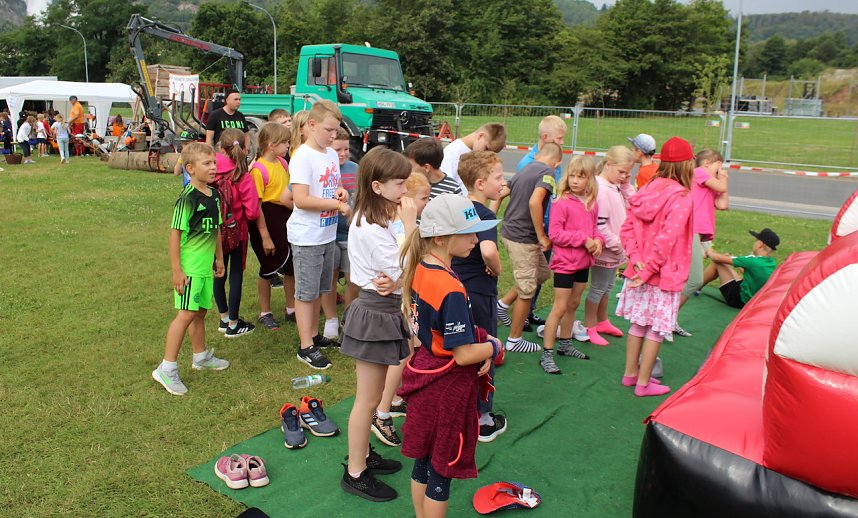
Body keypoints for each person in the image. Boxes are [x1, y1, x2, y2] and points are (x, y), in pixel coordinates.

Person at [398, 194, 502, 516]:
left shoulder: (419, 266)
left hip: (425, 375)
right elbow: (463, 355)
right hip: (446, 388)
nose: (476, 238)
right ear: (441, 237)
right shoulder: (451, 287)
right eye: (469, 232)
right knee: (441, 471)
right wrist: (494, 346)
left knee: (423, 462)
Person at [340, 147, 413, 501]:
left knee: (374, 397)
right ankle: (355, 472)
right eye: (399, 183)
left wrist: (399, 281)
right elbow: (409, 265)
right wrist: (412, 227)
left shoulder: (380, 217)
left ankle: (364, 455)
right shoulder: (369, 226)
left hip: (384, 309)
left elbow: (401, 272)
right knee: (367, 402)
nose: (405, 190)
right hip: (374, 313)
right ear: (377, 186)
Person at [616, 137, 695, 397]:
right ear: (686, 164)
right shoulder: (682, 196)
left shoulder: (646, 188)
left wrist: (637, 260)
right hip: (663, 273)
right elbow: (667, 240)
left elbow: (626, 228)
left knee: (638, 324)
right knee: (656, 329)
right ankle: (643, 382)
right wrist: (649, 269)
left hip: (640, 270)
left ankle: (630, 374)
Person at [151, 142, 229, 396]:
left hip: (206, 267)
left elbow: (216, 228)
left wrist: (219, 258)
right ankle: (167, 368)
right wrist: (177, 270)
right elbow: (175, 234)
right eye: (207, 164)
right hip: (190, 268)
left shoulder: (214, 194)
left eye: (214, 163)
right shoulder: (186, 198)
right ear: (190, 168)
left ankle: (200, 357)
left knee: (200, 312)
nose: (213, 167)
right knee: (185, 314)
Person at [288, 100, 351, 369]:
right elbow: (301, 199)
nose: (333, 136)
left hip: (326, 234)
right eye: (329, 130)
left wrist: (341, 192)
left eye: (336, 131)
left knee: (321, 289)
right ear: (311, 125)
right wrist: (337, 205)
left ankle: (314, 335)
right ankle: (305, 347)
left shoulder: (329, 154)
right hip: (307, 236)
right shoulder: (302, 156)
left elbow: (333, 184)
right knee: (306, 293)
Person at [451, 151, 509, 441]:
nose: (504, 181)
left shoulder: (458, 208)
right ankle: (483, 418)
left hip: (455, 289)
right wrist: (495, 268)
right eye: (498, 177)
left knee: (461, 351)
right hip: (480, 292)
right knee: (485, 347)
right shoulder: (483, 215)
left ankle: (459, 411)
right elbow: (488, 250)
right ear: (480, 182)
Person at [497, 142, 563, 353]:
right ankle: (514, 340)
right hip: (523, 238)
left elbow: (500, 193)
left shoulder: (525, 168)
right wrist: (542, 236)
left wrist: (491, 218)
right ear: (557, 162)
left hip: (510, 233)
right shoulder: (549, 173)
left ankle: (502, 305)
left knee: (541, 274)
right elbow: (535, 203)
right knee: (527, 289)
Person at [540, 155, 603, 374]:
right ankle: (546, 353)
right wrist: (582, 239)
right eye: (573, 176)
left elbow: (594, 228)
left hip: (583, 263)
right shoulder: (561, 202)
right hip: (565, 263)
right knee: (559, 307)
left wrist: (597, 241)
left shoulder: (592, 203)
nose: (575, 180)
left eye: (581, 177)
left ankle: (565, 344)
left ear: (590, 180)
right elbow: (555, 234)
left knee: (574, 303)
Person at [514, 116, 569, 330]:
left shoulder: (555, 161)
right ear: (545, 137)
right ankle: (520, 312)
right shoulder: (527, 164)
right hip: (531, 228)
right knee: (529, 272)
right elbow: (527, 200)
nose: (562, 142)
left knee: (541, 271)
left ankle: (531, 309)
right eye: (560, 138)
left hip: (549, 225)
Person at [583, 146, 636, 346]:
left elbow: (635, 202)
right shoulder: (602, 189)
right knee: (598, 288)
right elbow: (600, 226)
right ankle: (590, 326)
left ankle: (602, 320)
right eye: (621, 172)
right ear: (608, 164)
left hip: (614, 249)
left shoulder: (614, 185)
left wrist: (626, 184)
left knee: (607, 287)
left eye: (627, 173)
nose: (623, 176)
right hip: (606, 250)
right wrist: (619, 246)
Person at [675, 149, 729, 337]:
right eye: (718, 166)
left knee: (686, 278)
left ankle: (669, 319)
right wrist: (722, 179)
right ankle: (667, 318)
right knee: (695, 280)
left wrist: (723, 180)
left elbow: (722, 204)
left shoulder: (709, 183)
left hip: (698, 233)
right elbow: (721, 188)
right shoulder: (698, 173)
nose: (720, 170)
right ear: (706, 163)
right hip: (692, 230)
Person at [212, 128, 259, 338]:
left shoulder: (210, 170)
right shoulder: (243, 176)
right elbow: (252, 212)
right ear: (244, 149)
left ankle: (223, 318)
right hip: (237, 233)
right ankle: (233, 323)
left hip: (213, 234)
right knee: (236, 275)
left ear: (221, 149)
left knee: (218, 273)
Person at [247, 122, 293, 331]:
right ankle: (265, 312)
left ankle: (292, 307)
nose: (287, 146)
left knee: (291, 264)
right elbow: (257, 205)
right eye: (284, 143)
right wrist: (265, 235)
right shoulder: (258, 169)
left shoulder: (283, 163)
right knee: (268, 267)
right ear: (271, 145)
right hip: (267, 219)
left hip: (286, 218)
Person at [320, 127, 359, 339]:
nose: (343, 154)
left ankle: (349, 318)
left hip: (351, 235)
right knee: (330, 279)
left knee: (353, 279)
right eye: (338, 150)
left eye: (346, 149)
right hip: (329, 234)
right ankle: (331, 319)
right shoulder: (325, 167)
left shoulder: (355, 169)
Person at [703, 228, 779, 309]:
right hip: (752, 300)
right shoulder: (771, 262)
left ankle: (695, 286)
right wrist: (729, 260)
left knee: (717, 263)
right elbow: (752, 273)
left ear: (760, 244)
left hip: (738, 300)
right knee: (724, 262)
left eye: (756, 240)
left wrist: (709, 251)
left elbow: (716, 258)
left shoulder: (752, 261)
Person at [440, 123, 507, 194]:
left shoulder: (477, 154)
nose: (487, 154)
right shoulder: (452, 153)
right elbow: (445, 187)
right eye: (486, 148)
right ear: (480, 136)